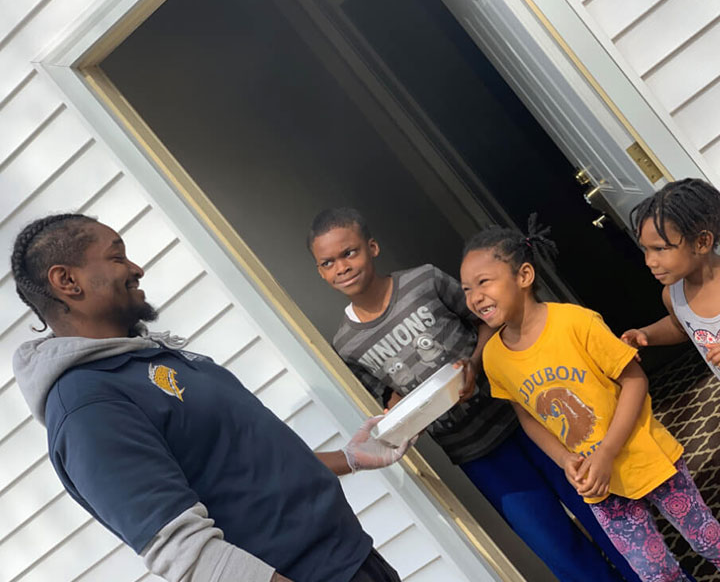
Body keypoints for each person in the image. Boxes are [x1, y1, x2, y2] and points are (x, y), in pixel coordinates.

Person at [10, 213, 416, 582]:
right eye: (117, 258)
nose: (136, 268)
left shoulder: (143, 361)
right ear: (67, 281)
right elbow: (190, 556)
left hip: (351, 557)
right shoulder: (88, 406)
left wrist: (350, 458)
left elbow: (246, 466)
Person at [308, 207, 640, 582]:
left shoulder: (424, 281)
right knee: (554, 544)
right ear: (320, 271)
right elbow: (390, 400)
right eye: (328, 262)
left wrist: (474, 364)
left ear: (372, 247)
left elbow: (488, 321)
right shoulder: (347, 344)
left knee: (603, 510)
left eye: (349, 253)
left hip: (527, 414)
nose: (342, 267)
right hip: (475, 452)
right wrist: (402, 418)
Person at [462, 217, 720, 582]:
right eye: (466, 289)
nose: (474, 297)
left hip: (643, 456)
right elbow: (527, 416)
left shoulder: (576, 323)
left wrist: (607, 453)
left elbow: (635, 381)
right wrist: (565, 459)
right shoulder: (494, 357)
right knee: (654, 572)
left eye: (483, 282)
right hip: (597, 484)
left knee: (708, 540)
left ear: (524, 276)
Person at [621, 178, 720, 380]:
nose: (649, 261)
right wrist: (646, 335)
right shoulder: (673, 295)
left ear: (702, 242)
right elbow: (679, 327)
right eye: (645, 249)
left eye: (660, 249)